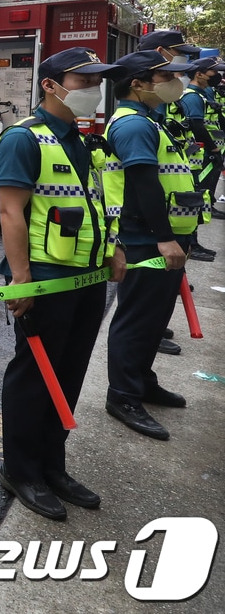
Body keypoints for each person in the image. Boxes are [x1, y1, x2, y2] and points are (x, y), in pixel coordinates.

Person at [0, 48, 122, 520]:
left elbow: (97, 202)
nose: (93, 88)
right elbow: (10, 212)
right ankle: (21, 470)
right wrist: (20, 279)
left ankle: (53, 464)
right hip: (45, 282)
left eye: (96, 80)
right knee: (33, 378)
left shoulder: (87, 141)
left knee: (68, 373)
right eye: (82, 79)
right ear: (50, 84)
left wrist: (114, 247)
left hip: (88, 278)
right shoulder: (25, 139)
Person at [101, 51, 193, 440]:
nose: (174, 81)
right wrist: (165, 238)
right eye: (165, 76)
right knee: (137, 321)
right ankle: (122, 395)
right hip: (146, 240)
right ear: (138, 84)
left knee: (153, 320)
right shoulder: (134, 126)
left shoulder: (150, 121)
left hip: (161, 237)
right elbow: (144, 184)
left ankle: (142, 382)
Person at [165, 56, 222, 261]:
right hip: (196, 159)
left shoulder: (200, 95)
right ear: (199, 74)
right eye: (214, 72)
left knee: (200, 198)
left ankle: (193, 243)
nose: (217, 76)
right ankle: (192, 244)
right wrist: (214, 149)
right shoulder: (192, 97)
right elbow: (197, 127)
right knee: (195, 199)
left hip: (198, 158)